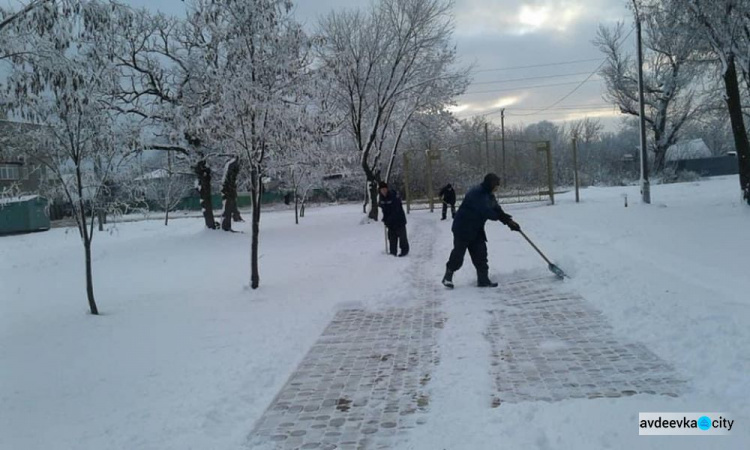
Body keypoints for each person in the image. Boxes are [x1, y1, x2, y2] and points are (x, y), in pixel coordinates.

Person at [442, 173, 520, 288]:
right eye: (496, 186)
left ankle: (483, 280)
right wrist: (502, 218)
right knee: (458, 256)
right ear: (490, 184)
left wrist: (508, 221)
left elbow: (495, 208)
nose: (496, 188)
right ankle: (447, 277)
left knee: (481, 254)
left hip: (476, 229)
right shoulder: (476, 193)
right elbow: (486, 211)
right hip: (462, 229)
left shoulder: (488, 194)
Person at [378, 181, 409, 257]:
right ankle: (393, 252)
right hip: (390, 223)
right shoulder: (381, 198)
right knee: (392, 238)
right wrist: (384, 218)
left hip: (399, 220)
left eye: (385, 189)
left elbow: (396, 209)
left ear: (387, 189)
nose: (383, 191)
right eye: (382, 190)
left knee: (402, 237)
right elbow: (382, 209)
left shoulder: (393, 196)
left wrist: (389, 218)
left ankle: (404, 251)